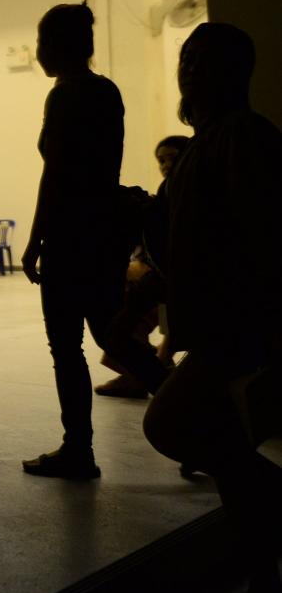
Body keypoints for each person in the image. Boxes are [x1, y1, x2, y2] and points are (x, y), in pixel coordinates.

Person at [143, 23, 282, 593]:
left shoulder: (242, 140)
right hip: (216, 329)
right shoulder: (206, 144)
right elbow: (183, 244)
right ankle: (263, 576)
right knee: (229, 463)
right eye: (187, 58)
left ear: (236, 72)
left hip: (236, 329)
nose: (191, 69)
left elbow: (254, 238)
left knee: (168, 423)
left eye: (205, 61)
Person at [20, 2, 171, 480]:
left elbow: (57, 174)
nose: (38, 52)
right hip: (104, 233)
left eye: (42, 43)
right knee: (111, 332)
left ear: (58, 47)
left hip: (71, 235)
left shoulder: (65, 96)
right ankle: (194, 413)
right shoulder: (106, 91)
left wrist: (35, 238)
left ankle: (78, 450)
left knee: (66, 346)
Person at [94, 135, 189, 399]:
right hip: (166, 275)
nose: (167, 164)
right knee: (123, 308)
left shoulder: (185, 190)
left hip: (180, 277)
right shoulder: (169, 190)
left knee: (125, 313)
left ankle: (152, 372)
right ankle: (146, 370)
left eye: (173, 157)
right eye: (162, 160)